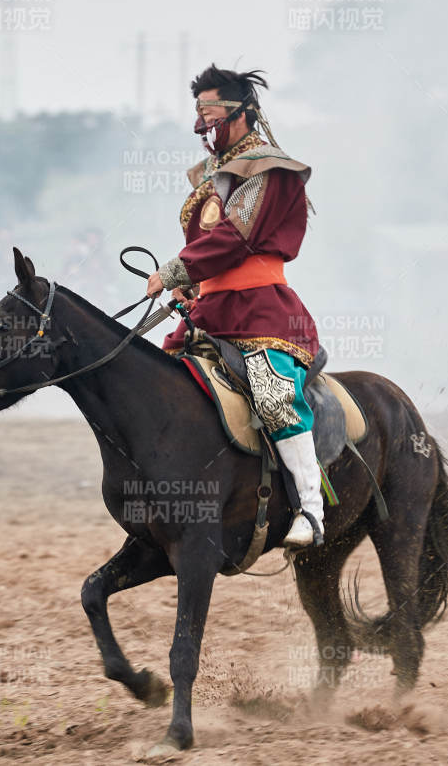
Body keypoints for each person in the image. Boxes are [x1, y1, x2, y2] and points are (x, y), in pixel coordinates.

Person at [144, 65, 325, 548]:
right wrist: (190, 286)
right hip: (210, 309)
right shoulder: (211, 175)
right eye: (198, 110)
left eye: (209, 110)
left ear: (240, 112)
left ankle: (311, 509)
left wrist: (175, 271)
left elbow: (234, 237)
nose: (202, 122)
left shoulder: (268, 167)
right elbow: (208, 249)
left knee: (271, 393)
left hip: (261, 310)